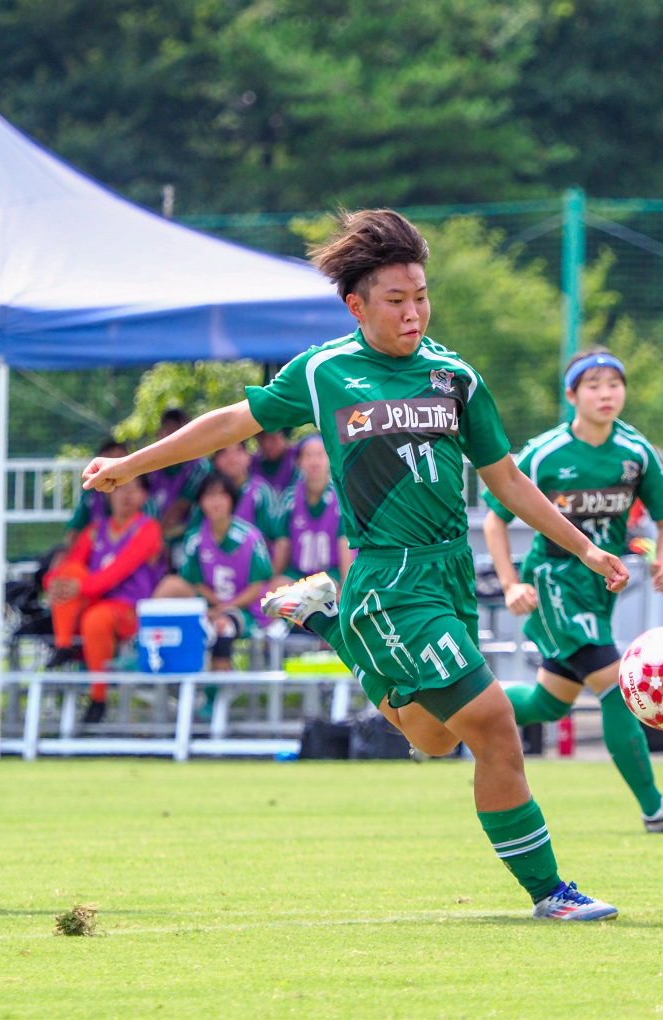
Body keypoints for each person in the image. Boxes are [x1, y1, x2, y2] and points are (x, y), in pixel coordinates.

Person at [84, 210, 629, 921]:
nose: (413, 313)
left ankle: (331, 624)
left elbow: (509, 481)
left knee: (435, 737)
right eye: (396, 300)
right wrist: (132, 464)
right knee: (496, 724)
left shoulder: (456, 378)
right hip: (392, 579)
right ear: (356, 306)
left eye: (421, 297)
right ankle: (551, 893)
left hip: (450, 573)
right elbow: (230, 423)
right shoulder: (325, 372)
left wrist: (585, 545)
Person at [482, 348, 663, 833]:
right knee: (615, 684)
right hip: (555, 582)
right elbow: (494, 520)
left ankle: (448, 709)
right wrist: (510, 583)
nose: (606, 394)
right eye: (594, 385)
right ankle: (655, 809)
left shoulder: (636, 453)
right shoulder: (545, 453)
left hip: (601, 590)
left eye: (614, 384)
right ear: (571, 395)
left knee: (548, 703)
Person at [44, 476, 163, 722]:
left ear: (144, 496)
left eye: (134, 489)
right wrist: (52, 583)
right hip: (94, 601)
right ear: (109, 493)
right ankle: (63, 644)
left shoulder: (148, 529)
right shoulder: (95, 530)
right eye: (121, 488)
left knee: (96, 619)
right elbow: (69, 566)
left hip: (129, 609)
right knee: (71, 572)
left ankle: (98, 698)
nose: (126, 495)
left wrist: (79, 587)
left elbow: (116, 572)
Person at [178, 473, 272, 670]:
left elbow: (257, 587)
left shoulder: (251, 538)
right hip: (208, 607)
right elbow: (195, 584)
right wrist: (214, 606)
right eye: (209, 495)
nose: (216, 502)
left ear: (232, 499)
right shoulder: (194, 540)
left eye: (222, 495)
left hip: (246, 611)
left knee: (222, 626)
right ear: (200, 502)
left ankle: (219, 686)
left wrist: (226, 607)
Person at [271, 436, 352, 583]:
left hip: (330, 574)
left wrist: (345, 584)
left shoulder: (341, 498)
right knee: (277, 585)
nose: (314, 461)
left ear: (329, 459)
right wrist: (273, 578)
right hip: (297, 574)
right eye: (308, 455)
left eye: (320, 455)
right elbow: (283, 543)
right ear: (299, 461)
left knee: (327, 587)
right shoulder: (289, 499)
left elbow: (345, 543)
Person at [143, 410, 210, 540]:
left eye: (179, 429)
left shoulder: (200, 466)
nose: (174, 435)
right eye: (168, 429)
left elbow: (182, 506)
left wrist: (156, 538)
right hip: (151, 534)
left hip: (187, 536)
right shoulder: (150, 466)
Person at [65, 438, 127, 540]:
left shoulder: (140, 493)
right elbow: (75, 528)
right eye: (110, 458)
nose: (114, 465)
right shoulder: (90, 496)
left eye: (119, 458)